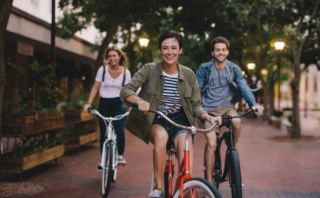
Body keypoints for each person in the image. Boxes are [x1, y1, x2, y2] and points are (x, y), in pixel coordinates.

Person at [120, 30, 217, 198]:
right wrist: (139, 101)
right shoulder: (149, 69)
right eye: (165, 48)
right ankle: (159, 188)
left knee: (185, 154)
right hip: (157, 118)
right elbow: (126, 90)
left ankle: (186, 187)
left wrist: (205, 115)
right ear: (160, 50)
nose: (169, 52)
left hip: (181, 121)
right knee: (161, 137)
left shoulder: (188, 74)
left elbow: (196, 105)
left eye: (174, 48)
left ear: (180, 50)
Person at [196, 36, 264, 182]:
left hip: (227, 107)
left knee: (238, 122)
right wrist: (199, 111)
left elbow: (243, 87)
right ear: (212, 53)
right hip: (208, 110)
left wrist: (253, 104)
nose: (220, 52)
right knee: (211, 143)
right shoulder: (204, 69)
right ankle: (208, 183)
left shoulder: (234, 69)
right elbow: (197, 91)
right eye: (217, 50)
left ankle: (230, 150)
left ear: (227, 52)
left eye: (223, 49)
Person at [84, 47, 131, 165]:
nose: (112, 58)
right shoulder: (103, 70)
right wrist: (88, 103)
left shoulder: (126, 72)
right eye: (109, 56)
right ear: (107, 58)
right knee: (104, 131)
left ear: (119, 56)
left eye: (114, 55)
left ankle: (120, 155)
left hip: (119, 103)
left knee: (119, 128)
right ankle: (103, 159)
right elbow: (95, 87)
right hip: (104, 102)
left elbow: (128, 91)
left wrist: (130, 105)